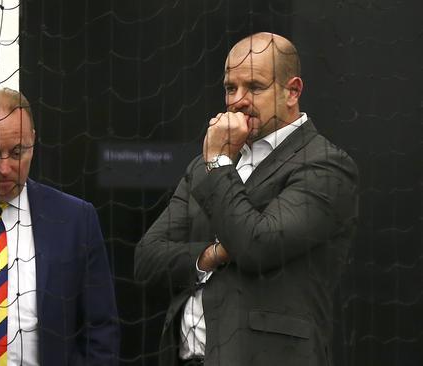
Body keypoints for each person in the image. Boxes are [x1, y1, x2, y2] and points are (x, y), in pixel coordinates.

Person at [134, 32, 359, 366]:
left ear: (292, 91)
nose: (237, 100)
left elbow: (258, 246)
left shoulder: (325, 164)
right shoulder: (205, 164)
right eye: (230, 88)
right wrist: (211, 255)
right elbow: (146, 259)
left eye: (254, 87)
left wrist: (219, 162)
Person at [0, 88, 120, 365]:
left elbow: (100, 332)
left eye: (17, 152)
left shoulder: (74, 220)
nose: (5, 168)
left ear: (33, 141)